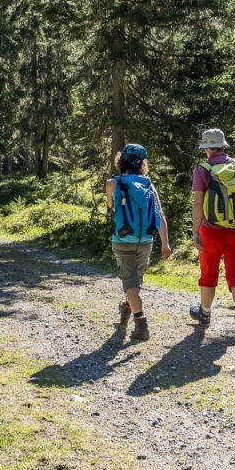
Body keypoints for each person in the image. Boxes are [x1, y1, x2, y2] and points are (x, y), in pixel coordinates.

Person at [189, 128, 235, 339]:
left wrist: (196, 230)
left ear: (207, 148)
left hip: (211, 231)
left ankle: (205, 314)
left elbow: (198, 203)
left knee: (209, 273)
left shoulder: (202, 170)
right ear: (224, 146)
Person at [105, 143, 171, 341]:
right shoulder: (149, 184)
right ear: (142, 164)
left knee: (131, 285)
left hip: (123, 239)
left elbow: (111, 206)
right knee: (134, 283)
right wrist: (165, 243)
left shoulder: (112, 183)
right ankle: (127, 307)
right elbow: (160, 215)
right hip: (146, 241)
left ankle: (141, 325)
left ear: (121, 161)